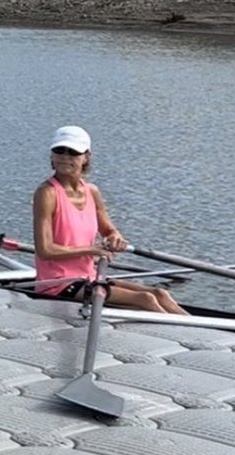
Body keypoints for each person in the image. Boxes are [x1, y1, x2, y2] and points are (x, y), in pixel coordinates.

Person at [33, 125, 185, 314]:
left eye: (73, 152)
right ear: (52, 156)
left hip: (87, 278)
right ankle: (186, 335)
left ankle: (207, 332)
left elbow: (109, 230)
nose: (65, 157)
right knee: (145, 299)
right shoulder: (46, 193)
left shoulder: (92, 192)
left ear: (86, 157)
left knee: (160, 293)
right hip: (56, 284)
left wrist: (115, 237)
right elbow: (45, 250)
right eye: (59, 151)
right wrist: (92, 249)